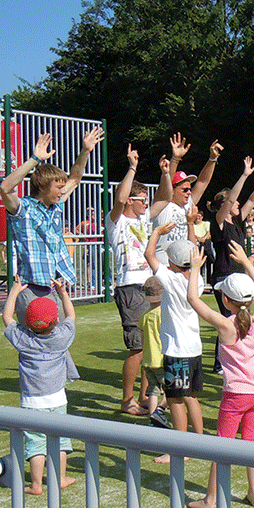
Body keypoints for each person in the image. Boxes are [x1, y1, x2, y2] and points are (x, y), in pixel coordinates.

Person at [186, 241, 254, 508]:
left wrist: (196, 269)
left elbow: (194, 300)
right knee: (252, 442)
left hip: (236, 394)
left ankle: (211, 500)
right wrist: (245, 262)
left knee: (222, 446)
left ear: (226, 300)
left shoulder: (225, 324)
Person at [0, 127, 104, 325]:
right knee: (37, 346)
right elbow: (5, 188)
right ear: (42, 187)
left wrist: (85, 151)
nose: (62, 191)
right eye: (58, 187)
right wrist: (35, 159)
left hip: (55, 287)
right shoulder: (24, 209)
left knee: (60, 341)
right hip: (31, 289)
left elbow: (75, 178)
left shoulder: (56, 207)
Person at [2, 276, 79, 495]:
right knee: (61, 439)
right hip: (57, 398)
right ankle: (61, 478)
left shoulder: (23, 339)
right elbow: (71, 316)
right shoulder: (62, 337)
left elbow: (7, 317)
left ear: (27, 321)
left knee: (35, 443)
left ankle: (36, 485)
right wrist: (63, 293)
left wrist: (15, 291)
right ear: (56, 320)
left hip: (32, 400)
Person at [106, 144, 167, 416]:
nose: (146, 203)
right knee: (137, 347)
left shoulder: (143, 220)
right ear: (132, 200)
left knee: (151, 344)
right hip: (130, 286)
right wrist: (132, 167)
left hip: (148, 284)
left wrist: (168, 170)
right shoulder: (116, 221)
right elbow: (119, 200)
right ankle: (127, 399)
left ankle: (144, 396)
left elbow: (164, 199)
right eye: (142, 198)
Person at [143, 225, 205, 463]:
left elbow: (149, 255)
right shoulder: (197, 278)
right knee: (191, 396)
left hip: (176, 350)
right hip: (194, 348)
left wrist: (157, 232)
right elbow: (191, 254)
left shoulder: (171, 279)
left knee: (176, 399)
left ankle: (181, 449)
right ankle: (199, 442)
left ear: (173, 264)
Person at [207, 156, 254, 372]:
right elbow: (231, 200)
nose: (238, 204)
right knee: (228, 319)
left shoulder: (238, 220)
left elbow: (251, 201)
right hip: (224, 276)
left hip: (239, 275)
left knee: (240, 319)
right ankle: (220, 363)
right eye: (233, 202)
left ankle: (237, 355)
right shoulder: (220, 221)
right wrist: (244, 175)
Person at [149, 135, 223, 265]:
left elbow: (202, 181)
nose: (189, 192)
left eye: (189, 189)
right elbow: (166, 181)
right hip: (165, 264)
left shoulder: (187, 204)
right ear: (172, 190)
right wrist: (175, 159)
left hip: (184, 263)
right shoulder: (163, 204)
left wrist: (212, 158)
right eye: (184, 189)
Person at [139, 276, 169, 428]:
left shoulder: (145, 315)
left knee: (153, 390)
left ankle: (153, 418)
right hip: (161, 359)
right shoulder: (162, 314)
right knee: (172, 390)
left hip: (148, 360)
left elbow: (143, 337)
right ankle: (160, 410)